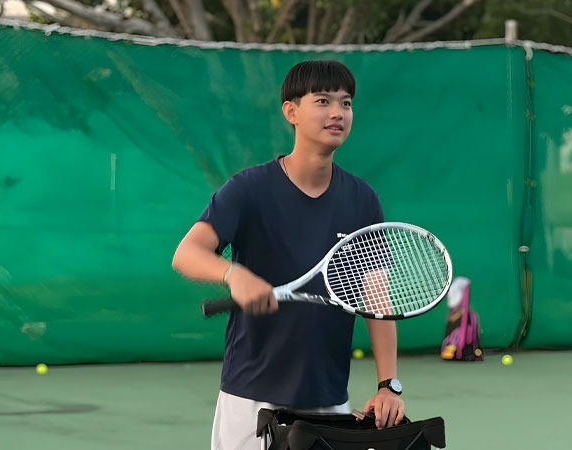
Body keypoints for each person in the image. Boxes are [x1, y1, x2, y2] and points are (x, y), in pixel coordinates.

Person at [172, 59, 405, 450]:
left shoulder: (363, 200)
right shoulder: (248, 189)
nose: (338, 112)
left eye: (346, 103)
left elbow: (376, 299)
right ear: (291, 112)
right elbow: (187, 253)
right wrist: (233, 274)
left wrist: (389, 385)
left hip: (329, 402)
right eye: (323, 101)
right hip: (251, 400)